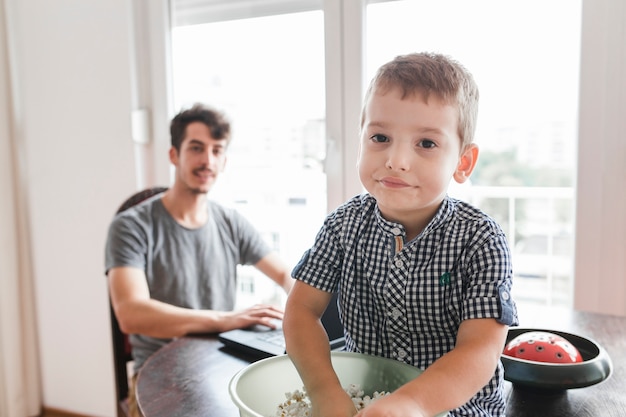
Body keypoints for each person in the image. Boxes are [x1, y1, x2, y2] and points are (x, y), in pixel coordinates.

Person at [283, 52, 518, 417]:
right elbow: (301, 311)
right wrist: (324, 390)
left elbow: (479, 352)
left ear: (463, 163)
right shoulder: (342, 226)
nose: (396, 160)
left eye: (426, 144)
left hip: (459, 409)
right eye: (380, 137)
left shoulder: (481, 240)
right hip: (365, 397)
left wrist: (412, 404)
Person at [105, 103, 293, 417]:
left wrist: (303, 315)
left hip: (219, 365)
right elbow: (130, 313)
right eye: (196, 148)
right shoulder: (131, 226)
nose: (208, 160)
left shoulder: (230, 222)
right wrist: (227, 319)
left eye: (217, 150)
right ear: (173, 155)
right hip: (156, 376)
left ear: (224, 160)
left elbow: (288, 275)